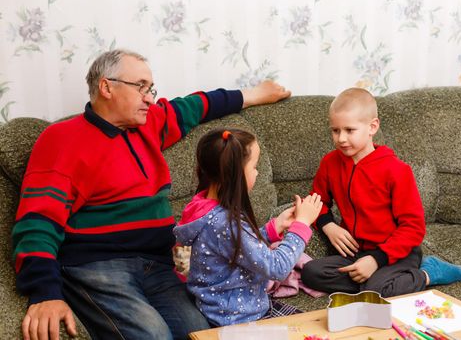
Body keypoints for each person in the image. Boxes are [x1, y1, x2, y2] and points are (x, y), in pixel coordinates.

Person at [12, 49, 291, 340]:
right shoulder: (61, 139)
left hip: (156, 263)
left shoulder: (149, 124)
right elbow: (37, 221)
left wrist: (255, 94)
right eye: (141, 87)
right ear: (106, 87)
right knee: (154, 336)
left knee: (200, 334)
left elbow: (196, 105)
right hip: (98, 266)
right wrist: (43, 292)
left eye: (151, 89)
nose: (150, 97)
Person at [301, 87, 461, 297]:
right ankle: (372, 281)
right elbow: (315, 202)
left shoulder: (397, 171)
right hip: (355, 251)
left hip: (396, 253)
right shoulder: (330, 163)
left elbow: (413, 228)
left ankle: (428, 272)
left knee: (375, 290)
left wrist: (377, 259)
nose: (341, 139)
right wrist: (328, 225)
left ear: (372, 127)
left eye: (349, 130)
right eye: (335, 130)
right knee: (310, 273)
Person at [173, 128, 323, 326]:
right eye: (254, 166)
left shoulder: (205, 209)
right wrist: (302, 225)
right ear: (234, 173)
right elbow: (276, 267)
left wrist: (274, 227)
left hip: (226, 310)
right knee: (313, 328)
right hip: (238, 320)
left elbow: (238, 247)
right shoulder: (223, 222)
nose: (258, 172)